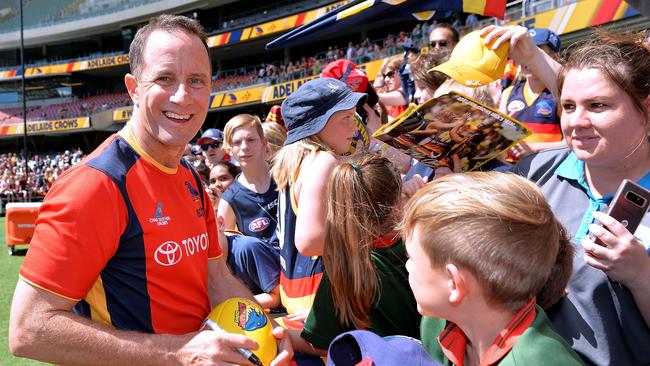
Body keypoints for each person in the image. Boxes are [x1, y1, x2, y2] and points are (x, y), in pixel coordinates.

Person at [9, 14, 291, 365]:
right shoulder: (94, 186)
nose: (183, 95)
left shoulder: (188, 176)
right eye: (165, 78)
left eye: (197, 80)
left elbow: (216, 278)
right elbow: (30, 329)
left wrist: (268, 333)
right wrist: (177, 354)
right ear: (133, 88)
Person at [485, 25, 650, 365]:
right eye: (569, 106)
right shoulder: (534, 173)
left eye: (598, 105)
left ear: (646, 110)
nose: (577, 121)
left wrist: (641, 276)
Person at [401, 172, 583, 365]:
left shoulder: (541, 360)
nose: (408, 266)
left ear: (454, 283)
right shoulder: (437, 324)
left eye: (412, 258)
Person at [293, 153, 420, 355]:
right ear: (397, 202)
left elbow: (319, 343)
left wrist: (279, 332)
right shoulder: (423, 245)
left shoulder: (347, 266)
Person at [272, 77, 366, 322]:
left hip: (296, 292)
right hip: (322, 298)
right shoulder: (323, 161)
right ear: (318, 125)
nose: (354, 128)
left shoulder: (298, 161)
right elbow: (310, 240)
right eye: (346, 118)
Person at [218, 114, 281, 310]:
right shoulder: (230, 199)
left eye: (250, 140)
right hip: (269, 280)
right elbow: (226, 259)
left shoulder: (285, 176)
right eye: (237, 142)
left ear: (264, 143)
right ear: (230, 150)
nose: (244, 147)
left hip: (300, 269)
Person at [499, 28, 565, 161]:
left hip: (549, 169)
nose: (526, 56)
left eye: (537, 51)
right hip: (512, 172)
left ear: (555, 56)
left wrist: (535, 149)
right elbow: (502, 140)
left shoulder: (562, 94)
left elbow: (572, 143)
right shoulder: (508, 93)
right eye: (521, 50)